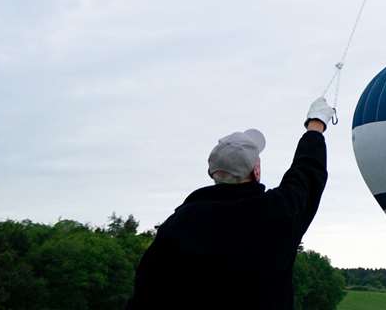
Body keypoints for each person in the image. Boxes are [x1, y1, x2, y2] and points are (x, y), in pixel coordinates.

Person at [128, 97, 335, 308]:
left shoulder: (179, 223)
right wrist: (315, 126)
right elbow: (307, 174)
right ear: (256, 171)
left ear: (213, 172)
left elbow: (145, 291)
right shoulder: (276, 211)